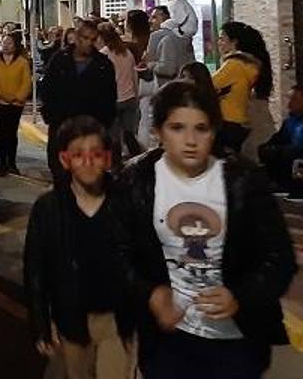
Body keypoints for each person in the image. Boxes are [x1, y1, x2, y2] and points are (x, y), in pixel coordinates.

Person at [113, 81, 297, 378]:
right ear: (158, 131)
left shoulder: (242, 180)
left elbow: (280, 258)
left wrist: (241, 295)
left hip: (236, 343)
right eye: (177, 128)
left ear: (214, 131)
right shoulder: (137, 181)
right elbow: (117, 253)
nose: (190, 140)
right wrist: (151, 294)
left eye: (201, 128)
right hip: (167, 341)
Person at [24, 116, 135, 379]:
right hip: (70, 318)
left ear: (107, 158)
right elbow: (35, 270)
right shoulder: (48, 208)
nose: (87, 162)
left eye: (96, 154)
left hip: (115, 319)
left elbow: (140, 260)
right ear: (65, 160)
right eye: (77, 155)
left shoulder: (125, 202)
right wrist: (41, 323)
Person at [39, 20, 117, 174]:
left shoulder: (103, 64)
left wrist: (102, 125)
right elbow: (47, 89)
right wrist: (50, 116)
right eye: (85, 38)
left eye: (92, 39)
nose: (88, 43)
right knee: (60, 172)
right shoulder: (60, 60)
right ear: (76, 37)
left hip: (90, 130)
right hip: (61, 126)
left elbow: (109, 98)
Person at [211, 22, 270, 156]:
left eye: (222, 38)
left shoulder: (235, 65)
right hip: (238, 120)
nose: (218, 42)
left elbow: (209, 84)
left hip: (227, 120)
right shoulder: (247, 64)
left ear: (234, 42)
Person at [0, 31, 32, 177]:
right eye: (4, 43)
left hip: (16, 104)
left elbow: (26, 82)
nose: (6, 46)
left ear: (16, 45)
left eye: (9, 43)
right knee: (2, 133)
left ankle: (12, 162)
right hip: (0, 102)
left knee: (12, 133)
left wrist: (18, 97)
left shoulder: (22, 62)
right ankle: (2, 163)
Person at [98, 23, 142, 160]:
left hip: (113, 101)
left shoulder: (103, 54)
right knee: (129, 135)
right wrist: (135, 96)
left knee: (114, 138)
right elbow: (134, 76)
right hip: (129, 98)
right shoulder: (127, 53)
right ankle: (139, 161)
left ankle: (116, 167)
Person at [258, 82, 303, 197]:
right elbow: (277, 139)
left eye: (295, 100)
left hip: (297, 155)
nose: (290, 104)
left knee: (288, 153)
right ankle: (280, 184)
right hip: (289, 154)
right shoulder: (290, 122)